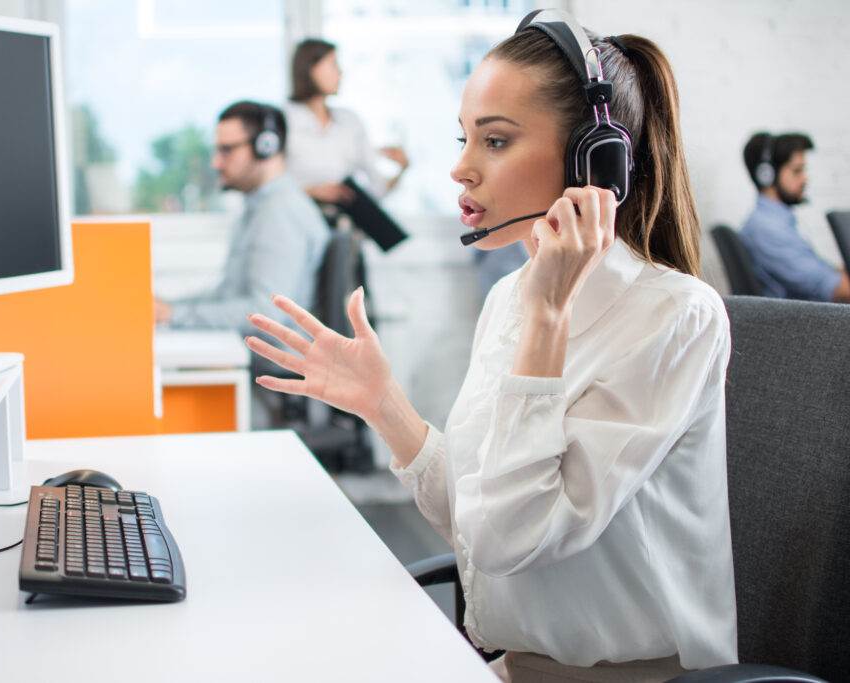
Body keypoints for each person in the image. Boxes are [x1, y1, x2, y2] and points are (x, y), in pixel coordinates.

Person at [243, 11, 738, 683]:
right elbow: (477, 527)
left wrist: (547, 322)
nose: (461, 169)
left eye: (496, 141)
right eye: (464, 138)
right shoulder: (512, 298)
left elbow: (514, 538)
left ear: (594, 160)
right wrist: (385, 404)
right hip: (512, 666)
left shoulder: (675, 318)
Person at [155, 101, 329, 335]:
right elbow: (229, 294)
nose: (216, 162)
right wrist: (168, 307)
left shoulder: (280, 213)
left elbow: (266, 313)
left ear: (266, 146)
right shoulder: (259, 207)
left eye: (227, 150)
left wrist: (173, 315)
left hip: (272, 364)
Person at [284, 38, 409, 206]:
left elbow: (377, 189)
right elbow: (265, 185)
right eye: (333, 64)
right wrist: (310, 191)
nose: (340, 73)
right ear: (311, 69)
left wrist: (402, 169)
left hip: (344, 223)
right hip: (298, 218)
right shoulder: (282, 119)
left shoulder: (350, 121)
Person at [738, 132, 850, 302]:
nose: (805, 178)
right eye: (797, 171)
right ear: (767, 175)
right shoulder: (767, 230)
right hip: (804, 323)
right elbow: (834, 289)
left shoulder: (777, 223)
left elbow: (824, 273)